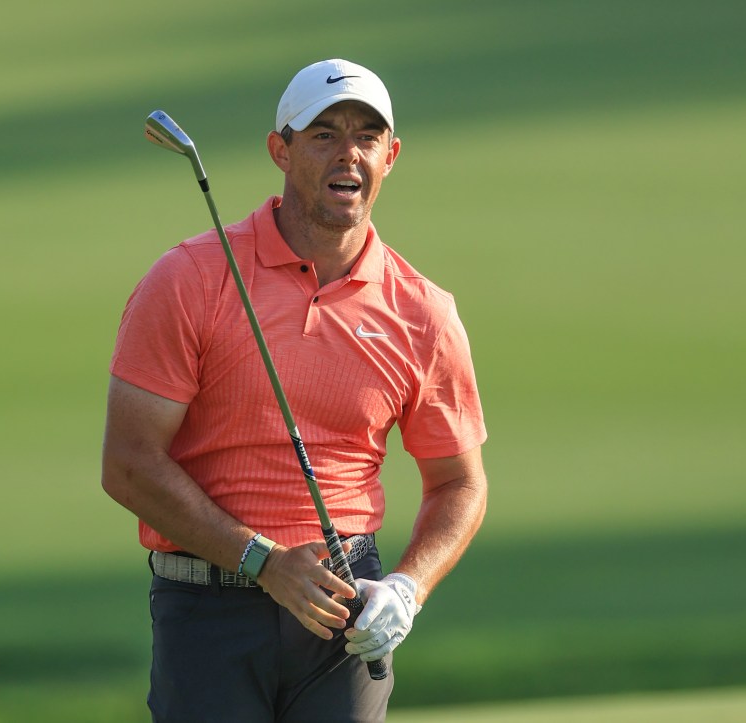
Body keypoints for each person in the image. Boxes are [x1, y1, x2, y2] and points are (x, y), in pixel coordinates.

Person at [101, 58, 488, 723]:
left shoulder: (423, 313)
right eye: (324, 134)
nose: (349, 153)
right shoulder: (191, 278)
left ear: (390, 157)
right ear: (280, 150)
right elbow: (129, 464)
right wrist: (263, 561)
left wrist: (407, 587)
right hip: (210, 610)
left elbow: (459, 483)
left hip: (344, 611)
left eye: (367, 136)